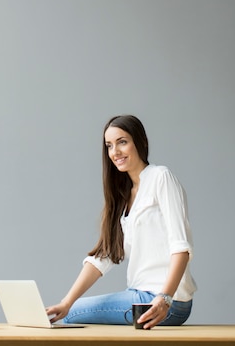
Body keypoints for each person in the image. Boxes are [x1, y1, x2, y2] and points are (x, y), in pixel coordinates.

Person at [46, 115, 197, 329]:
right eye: (109, 146)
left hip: (165, 302)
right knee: (69, 311)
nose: (115, 152)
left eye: (122, 142)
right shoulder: (123, 196)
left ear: (140, 142)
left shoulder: (160, 177)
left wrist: (165, 299)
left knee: (73, 315)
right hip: (138, 296)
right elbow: (103, 257)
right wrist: (66, 302)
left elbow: (181, 247)